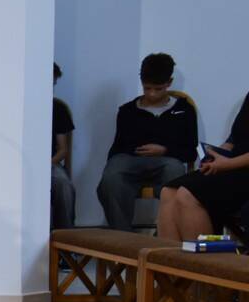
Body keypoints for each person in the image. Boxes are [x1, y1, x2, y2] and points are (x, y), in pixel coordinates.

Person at [96, 53, 197, 231]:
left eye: (158, 89)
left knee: (175, 169)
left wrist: (164, 150)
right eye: (147, 88)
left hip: (167, 161)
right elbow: (117, 148)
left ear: (169, 83)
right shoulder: (127, 111)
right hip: (130, 160)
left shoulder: (184, 110)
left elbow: (190, 151)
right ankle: (122, 236)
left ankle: (166, 233)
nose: (152, 94)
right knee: (111, 177)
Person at [157, 92, 249, 241]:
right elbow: (233, 140)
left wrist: (227, 164)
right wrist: (213, 154)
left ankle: (204, 256)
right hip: (231, 166)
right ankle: (170, 255)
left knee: (187, 194)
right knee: (168, 191)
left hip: (242, 170)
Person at [51, 63, 76, 229]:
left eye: (52, 84)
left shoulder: (58, 109)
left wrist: (47, 164)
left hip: (51, 163)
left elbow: (63, 150)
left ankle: (65, 236)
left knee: (63, 184)